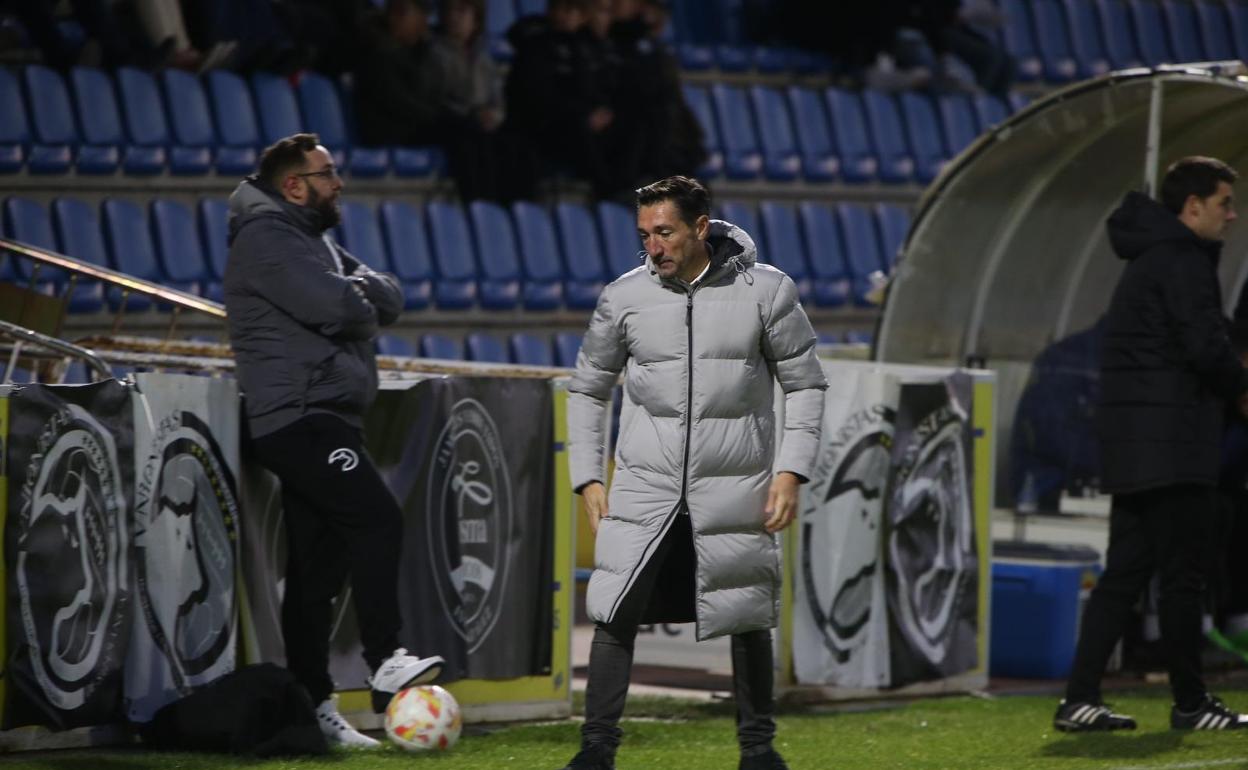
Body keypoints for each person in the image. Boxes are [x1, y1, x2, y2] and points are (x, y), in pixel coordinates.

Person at [565, 176, 827, 770]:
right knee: (613, 610)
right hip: (643, 486)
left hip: (734, 483)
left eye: (664, 232)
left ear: (700, 227)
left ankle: (759, 751)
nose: (653, 247)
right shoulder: (624, 296)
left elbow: (807, 386)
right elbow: (586, 390)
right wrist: (588, 476)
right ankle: (595, 752)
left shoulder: (769, 292)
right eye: (644, 235)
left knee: (745, 613)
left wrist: (791, 472)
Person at [223, 133, 443, 749]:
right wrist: (356, 299)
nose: (337, 182)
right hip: (298, 417)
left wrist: (356, 298)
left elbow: (385, 297)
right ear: (294, 185)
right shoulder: (268, 239)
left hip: (326, 416)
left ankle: (312, 706)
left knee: (316, 573)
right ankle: (383, 659)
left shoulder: (307, 235)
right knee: (376, 520)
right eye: (326, 173)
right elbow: (343, 308)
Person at [1054, 156, 1248, 732]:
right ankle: (1191, 702)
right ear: (1192, 207)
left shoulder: (1151, 259)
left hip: (1139, 445)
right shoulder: (1183, 262)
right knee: (1183, 579)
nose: (1231, 216)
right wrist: (1241, 389)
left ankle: (1079, 699)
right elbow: (1205, 348)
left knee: (1125, 576)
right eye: (1223, 204)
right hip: (1174, 445)